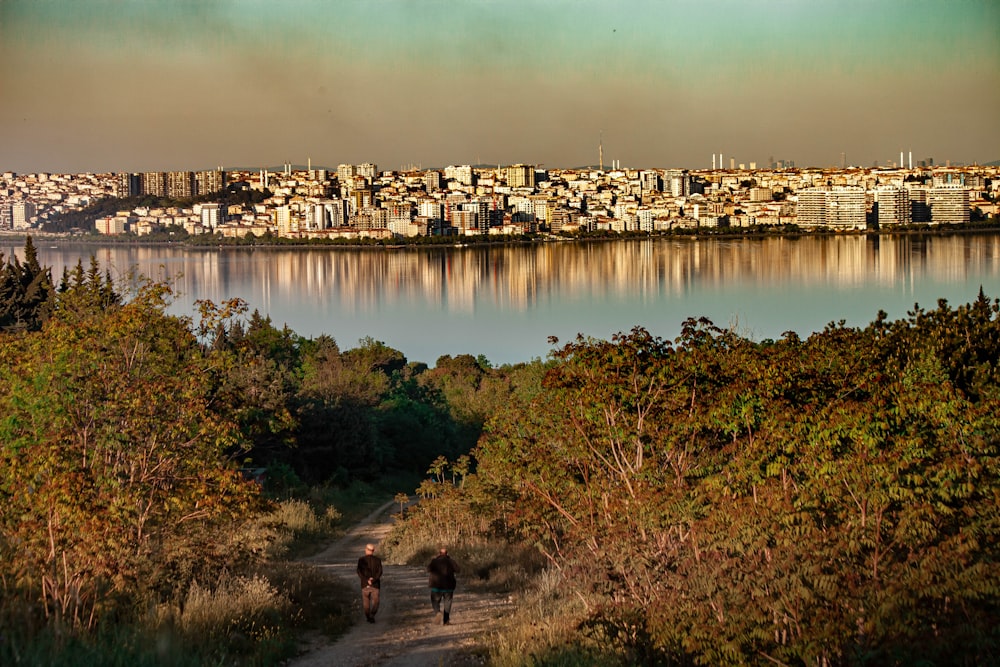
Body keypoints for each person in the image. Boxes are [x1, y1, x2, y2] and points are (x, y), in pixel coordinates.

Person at [427, 546, 460, 624]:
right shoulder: (451, 561)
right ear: (447, 553)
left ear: (439, 553)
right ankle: (446, 621)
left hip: (436, 586)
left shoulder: (434, 561)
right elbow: (458, 570)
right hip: (448, 587)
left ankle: (437, 612)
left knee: (435, 601)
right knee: (447, 603)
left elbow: (428, 569)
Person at [356, 543, 383, 623]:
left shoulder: (361, 560)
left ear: (366, 550)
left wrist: (366, 580)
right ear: (373, 551)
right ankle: (372, 615)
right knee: (376, 602)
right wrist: (373, 580)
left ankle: (368, 617)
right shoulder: (378, 560)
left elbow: (359, 572)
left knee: (366, 603)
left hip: (364, 585)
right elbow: (380, 572)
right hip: (375, 585)